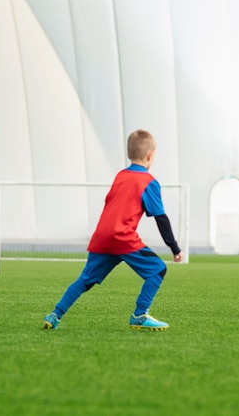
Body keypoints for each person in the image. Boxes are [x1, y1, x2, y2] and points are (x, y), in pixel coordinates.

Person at [43, 129, 183, 331]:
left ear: (129, 154)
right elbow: (160, 218)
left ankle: (55, 314)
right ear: (150, 156)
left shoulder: (121, 176)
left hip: (102, 238)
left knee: (85, 280)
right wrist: (175, 248)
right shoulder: (149, 182)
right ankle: (139, 315)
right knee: (158, 270)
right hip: (122, 237)